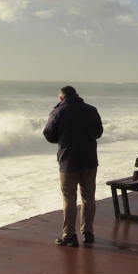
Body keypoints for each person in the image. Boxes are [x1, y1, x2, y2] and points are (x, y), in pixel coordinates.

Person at [44, 86, 103, 247]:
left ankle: (69, 235)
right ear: (77, 95)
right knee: (88, 197)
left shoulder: (58, 112)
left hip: (68, 161)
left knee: (69, 198)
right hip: (89, 160)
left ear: (61, 98)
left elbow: (48, 134)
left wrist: (63, 137)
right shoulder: (91, 110)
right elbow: (98, 133)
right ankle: (88, 233)